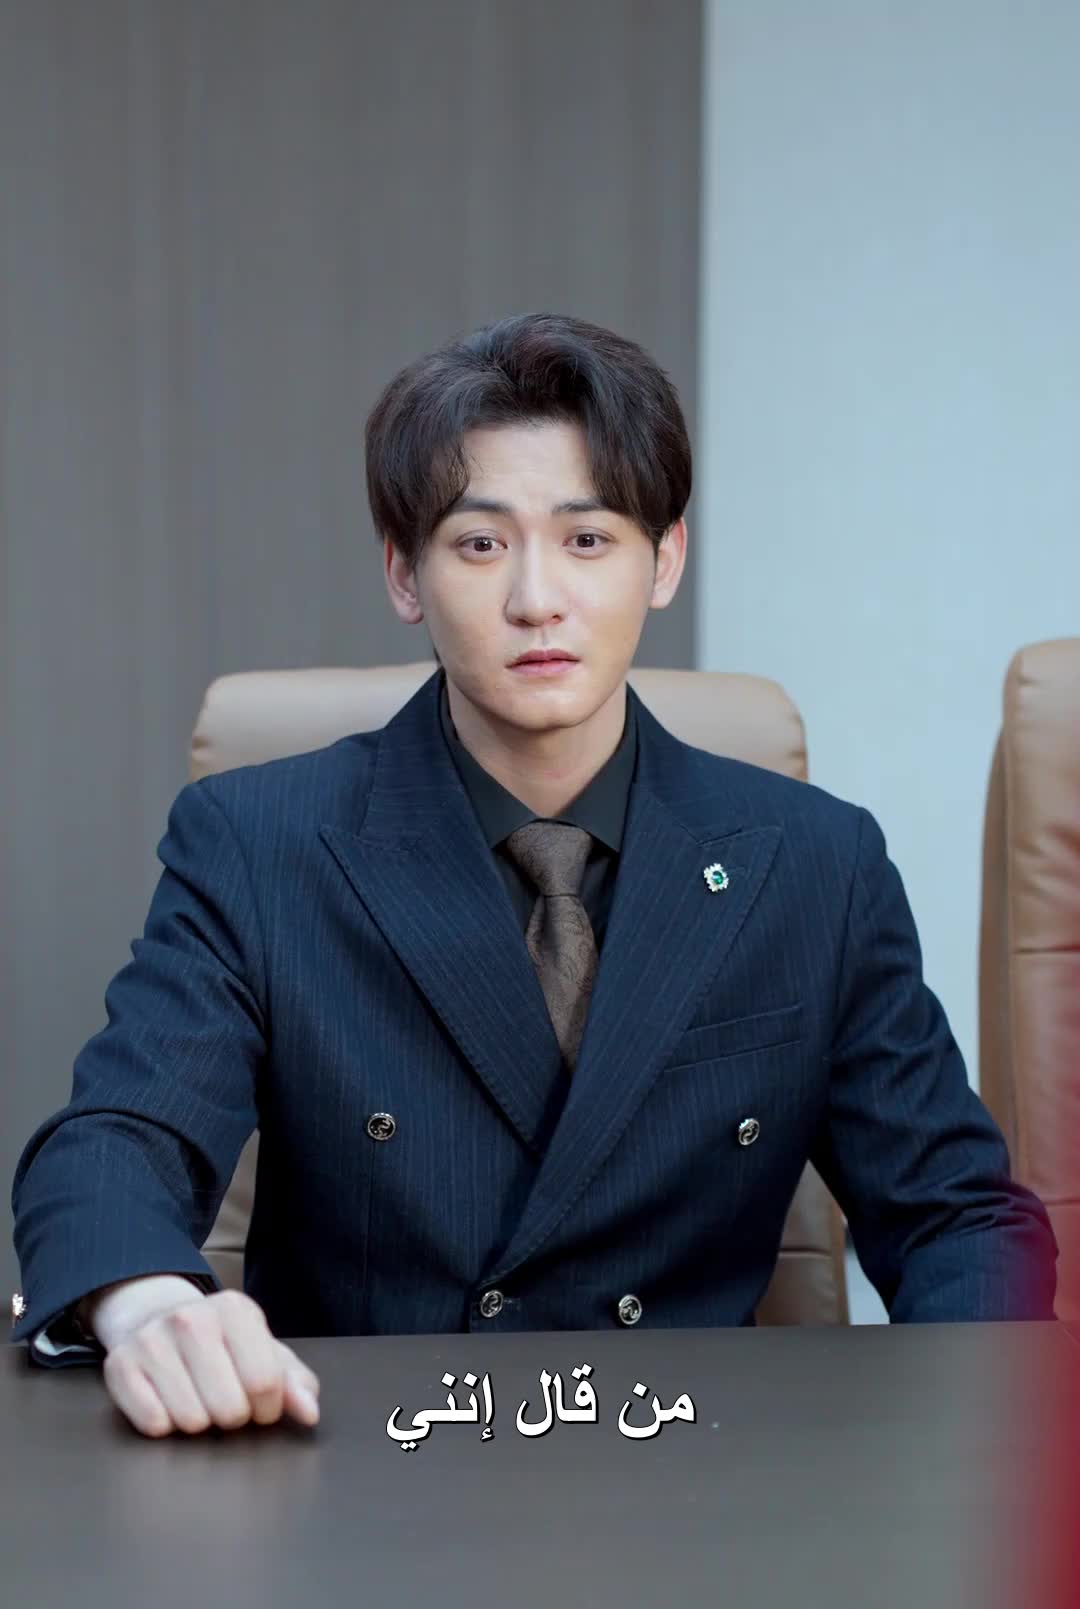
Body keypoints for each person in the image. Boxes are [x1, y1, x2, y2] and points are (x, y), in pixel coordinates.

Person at [8, 311, 1057, 1439]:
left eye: (588, 539)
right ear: (404, 573)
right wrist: (149, 1303)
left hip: (694, 1466)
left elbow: (957, 1216)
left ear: (667, 560)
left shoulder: (813, 864)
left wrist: (972, 1442)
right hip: (364, 1461)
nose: (536, 599)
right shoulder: (260, 843)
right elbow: (115, 1143)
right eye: (479, 544)